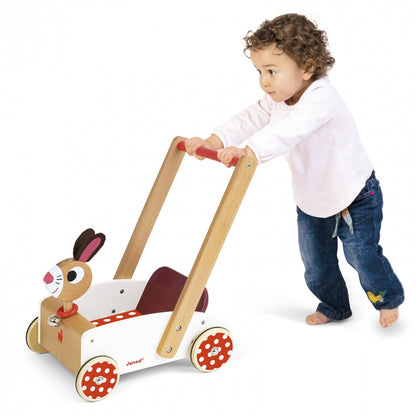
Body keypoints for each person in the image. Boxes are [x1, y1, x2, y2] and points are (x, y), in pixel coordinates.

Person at [184, 13, 404, 327]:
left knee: (360, 256)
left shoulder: (322, 98)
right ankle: (335, 306)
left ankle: (387, 298)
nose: (264, 81)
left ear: (307, 67)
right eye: (260, 71)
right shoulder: (277, 99)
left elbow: (289, 131)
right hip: (312, 198)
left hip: (354, 195)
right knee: (316, 263)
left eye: (272, 71)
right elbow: (249, 118)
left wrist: (250, 152)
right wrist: (213, 141)